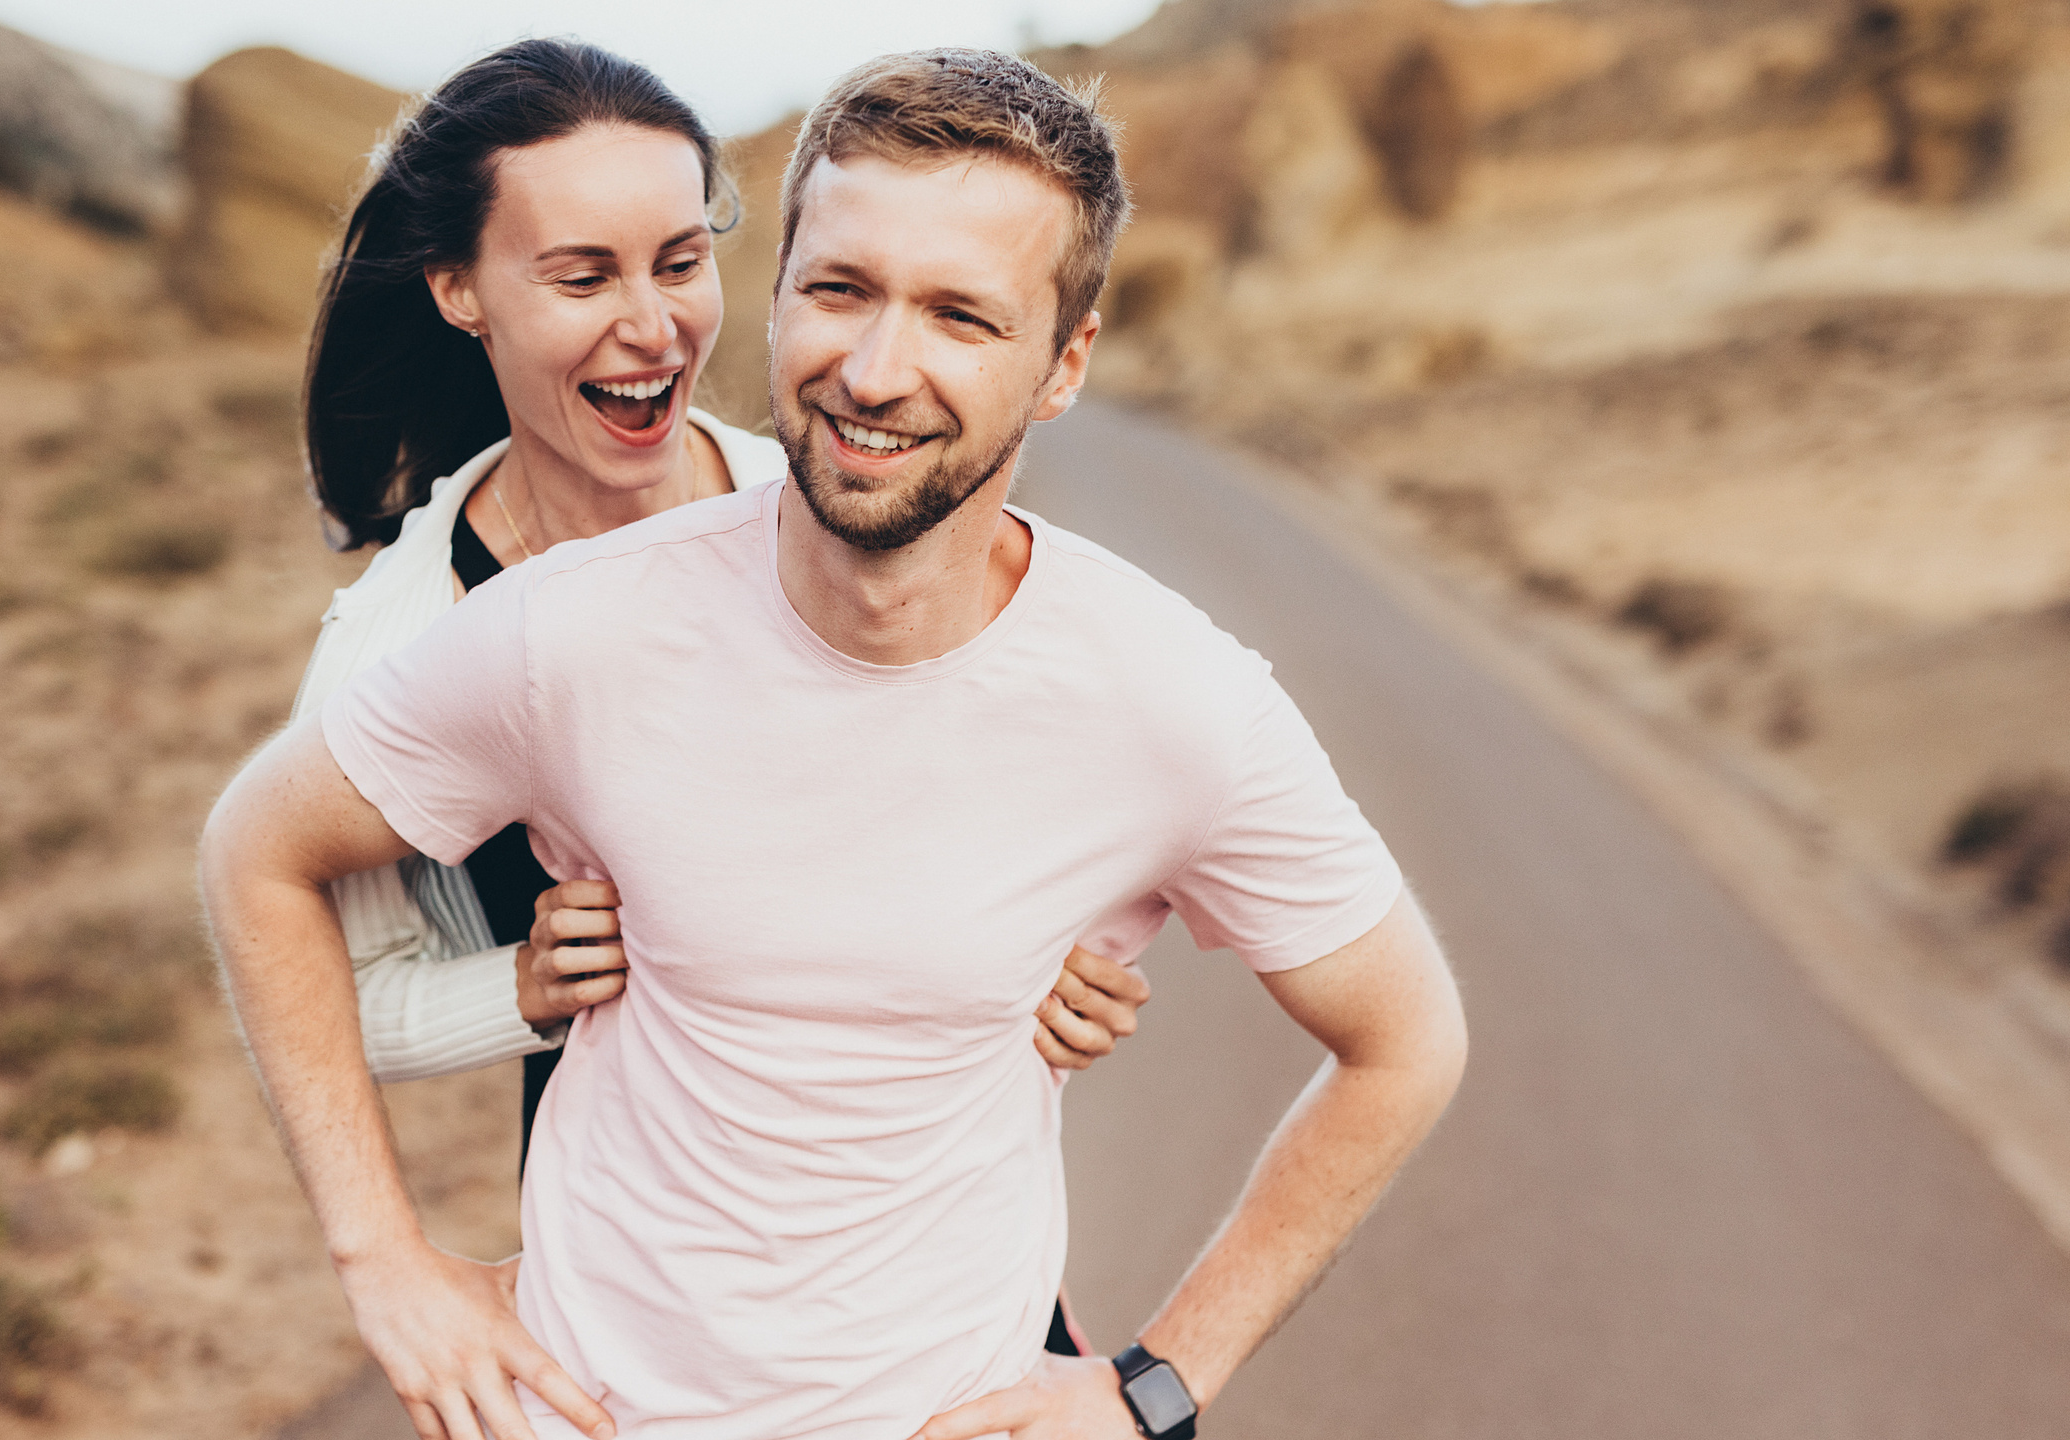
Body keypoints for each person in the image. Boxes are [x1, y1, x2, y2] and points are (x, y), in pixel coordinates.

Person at [205, 46, 1467, 1440]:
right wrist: (390, 1254)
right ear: (789, 283)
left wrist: (1149, 1391)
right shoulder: (538, 629)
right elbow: (262, 858)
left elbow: (1405, 1040)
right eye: (841, 289)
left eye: (962, 317)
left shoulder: (1167, 695)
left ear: (1066, 361)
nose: (877, 371)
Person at [284, 28, 1140, 1358]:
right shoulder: (411, 633)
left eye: (681, 263)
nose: (653, 324)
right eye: (582, 275)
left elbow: (994, 808)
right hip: (662, 1297)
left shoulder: (834, 500)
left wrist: (1051, 969)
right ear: (461, 288)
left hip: (944, 1256)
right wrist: (514, 990)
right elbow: (332, 984)